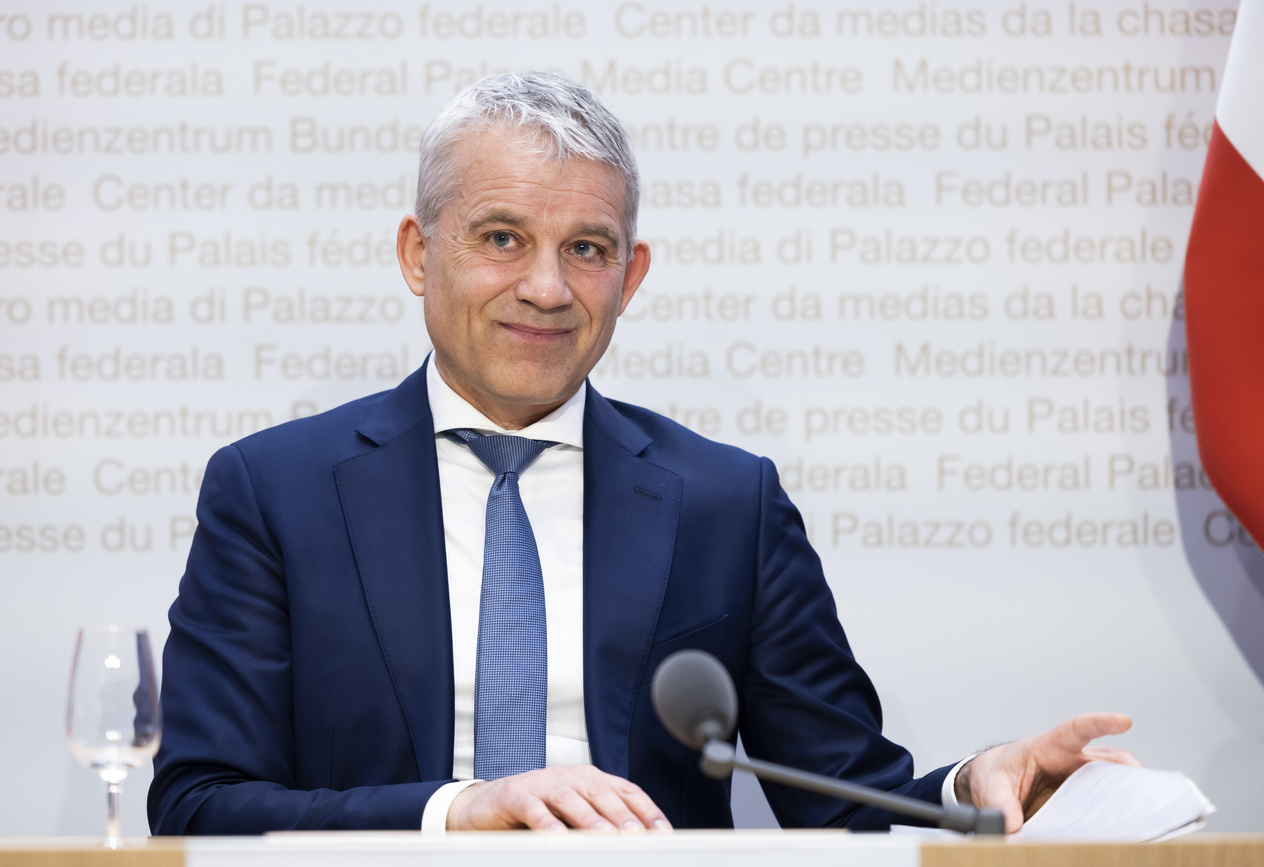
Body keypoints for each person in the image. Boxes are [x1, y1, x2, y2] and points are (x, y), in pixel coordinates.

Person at [148, 72, 1136, 836]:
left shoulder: (724, 502)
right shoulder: (274, 491)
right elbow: (199, 804)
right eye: (500, 237)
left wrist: (980, 784)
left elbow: (840, 803)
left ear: (632, 273)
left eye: (587, 248)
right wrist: (458, 814)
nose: (545, 287)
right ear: (417, 253)